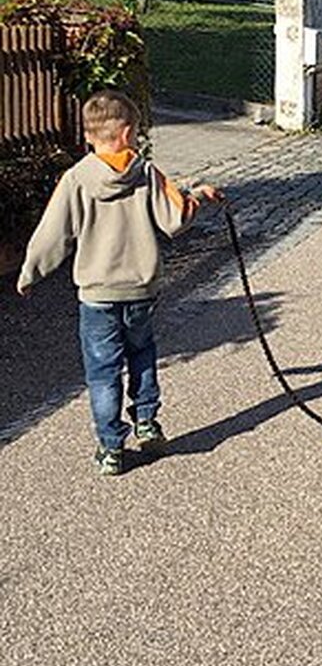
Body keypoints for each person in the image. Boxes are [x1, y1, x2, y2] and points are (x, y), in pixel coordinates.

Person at [16, 89, 223, 475]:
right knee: (142, 355)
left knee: (102, 371)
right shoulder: (145, 173)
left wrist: (31, 272)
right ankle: (146, 422)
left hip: (97, 295)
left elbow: (53, 233)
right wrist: (197, 195)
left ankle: (111, 448)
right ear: (128, 133)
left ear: (90, 136)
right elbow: (175, 219)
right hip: (142, 290)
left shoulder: (76, 178)